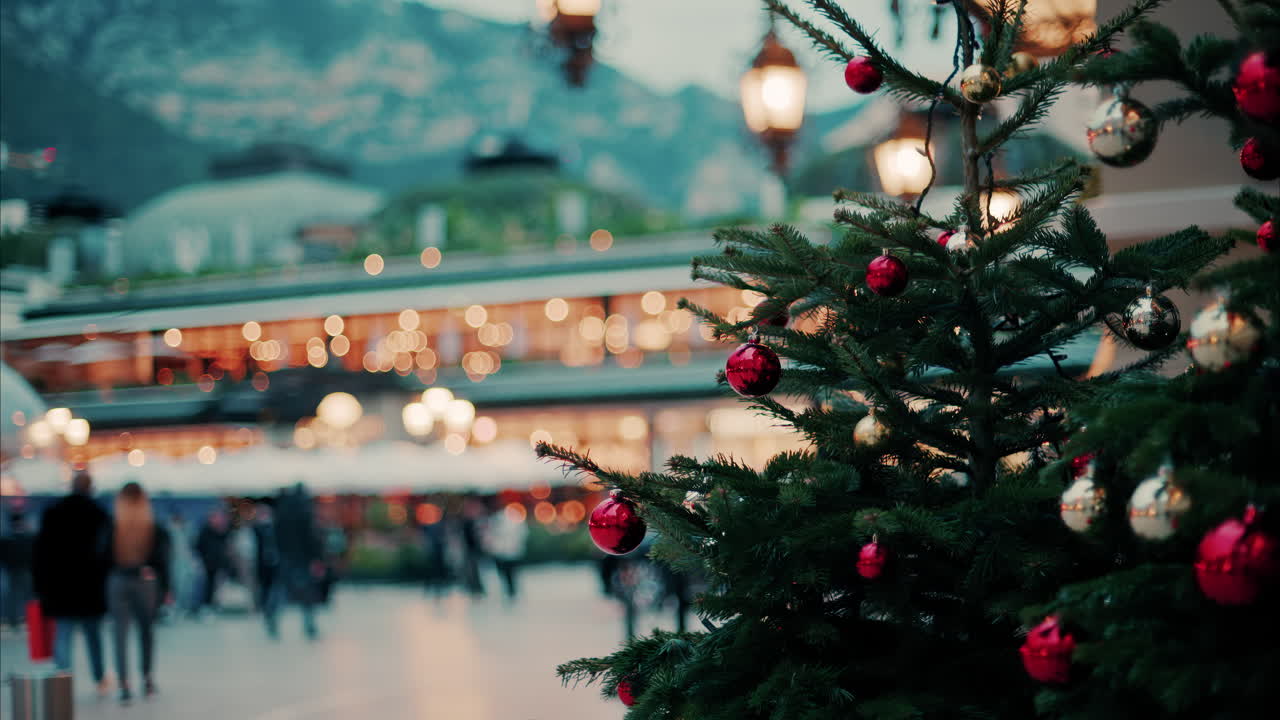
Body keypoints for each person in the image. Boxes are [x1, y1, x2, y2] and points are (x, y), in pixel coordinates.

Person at [32, 470, 110, 693]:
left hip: (60, 587)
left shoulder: (54, 513)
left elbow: (41, 553)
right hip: (90, 587)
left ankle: (62, 680)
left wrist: (40, 586)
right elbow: (105, 554)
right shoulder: (98, 514)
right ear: (90, 487)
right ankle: (99, 677)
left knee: (63, 634)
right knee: (93, 635)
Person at [107, 482, 170, 703]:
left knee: (120, 634)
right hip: (145, 579)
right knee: (146, 631)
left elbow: (101, 556)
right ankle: (147, 679)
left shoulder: (114, 525)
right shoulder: (152, 526)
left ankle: (124, 684)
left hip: (118, 579)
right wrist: (166, 589)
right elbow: (162, 560)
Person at [269, 485, 321, 639]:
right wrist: (315, 557)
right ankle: (309, 624)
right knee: (306, 592)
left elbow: (276, 537)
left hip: (285, 557)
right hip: (302, 558)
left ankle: (273, 617)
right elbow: (310, 538)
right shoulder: (304, 512)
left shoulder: (281, 512)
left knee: (281, 590)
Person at [483, 503, 528, 601]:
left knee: (507, 573)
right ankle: (511, 591)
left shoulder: (499, 520)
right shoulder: (498, 520)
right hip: (507, 552)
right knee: (509, 573)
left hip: (506, 552)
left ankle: (511, 591)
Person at [0, 512, 35, 628]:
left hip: (15, 570)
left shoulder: (6, 538)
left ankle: (14, 621)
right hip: (23, 570)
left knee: (15, 597)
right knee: (26, 597)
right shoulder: (28, 537)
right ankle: (28, 620)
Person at [252, 503, 281, 633]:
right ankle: (265, 609)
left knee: (274, 588)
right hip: (261, 564)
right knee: (264, 587)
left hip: (275, 564)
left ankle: (271, 608)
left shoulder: (276, 528)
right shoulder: (255, 529)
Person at [194, 508, 229, 613]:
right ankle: (206, 606)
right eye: (216, 518)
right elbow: (198, 547)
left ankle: (215, 605)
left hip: (219, 564)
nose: (218, 520)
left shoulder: (220, 532)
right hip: (208, 564)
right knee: (207, 586)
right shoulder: (204, 531)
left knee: (218, 587)